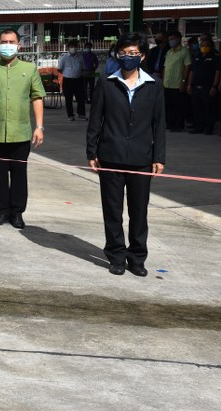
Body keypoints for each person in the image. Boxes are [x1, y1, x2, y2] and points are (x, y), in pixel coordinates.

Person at [86, 31, 165, 277]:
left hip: (142, 159)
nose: (128, 57)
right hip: (110, 155)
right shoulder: (107, 83)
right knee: (112, 211)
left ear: (142, 56)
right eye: (123, 53)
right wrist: (92, 151)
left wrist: (159, 157)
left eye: (133, 53)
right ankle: (117, 256)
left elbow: (159, 124)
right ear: (117, 55)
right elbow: (95, 120)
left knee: (139, 212)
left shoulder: (153, 85)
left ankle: (137, 257)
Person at [0, 29, 45, 229]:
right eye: (4, 42)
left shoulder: (30, 69)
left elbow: (37, 98)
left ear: (19, 45)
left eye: (12, 42)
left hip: (21, 133)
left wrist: (39, 127)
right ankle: (2, 210)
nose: (8, 45)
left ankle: (17, 212)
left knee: (19, 173)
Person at [187, 36, 220, 135]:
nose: (204, 47)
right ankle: (199, 127)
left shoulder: (215, 57)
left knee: (209, 108)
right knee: (197, 108)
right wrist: (189, 84)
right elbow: (192, 71)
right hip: (196, 86)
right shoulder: (197, 56)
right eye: (202, 45)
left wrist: (214, 86)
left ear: (211, 46)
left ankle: (208, 128)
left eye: (207, 46)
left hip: (208, 87)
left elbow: (218, 72)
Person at [162, 30, 192, 131]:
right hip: (167, 83)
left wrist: (184, 81)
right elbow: (165, 67)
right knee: (168, 106)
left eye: (172, 39)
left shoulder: (184, 51)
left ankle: (178, 126)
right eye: (169, 39)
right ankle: (170, 124)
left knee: (178, 106)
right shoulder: (169, 52)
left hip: (178, 83)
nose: (170, 41)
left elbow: (187, 67)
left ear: (179, 39)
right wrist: (163, 81)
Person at [57, 39, 87, 120]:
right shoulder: (64, 57)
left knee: (81, 98)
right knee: (68, 99)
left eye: (75, 46)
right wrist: (67, 73)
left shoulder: (80, 57)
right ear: (68, 48)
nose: (73, 48)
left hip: (79, 80)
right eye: (71, 47)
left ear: (77, 47)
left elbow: (83, 68)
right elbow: (59, 69)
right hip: (68, 81)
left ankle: (81, 114)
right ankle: (70, 115)